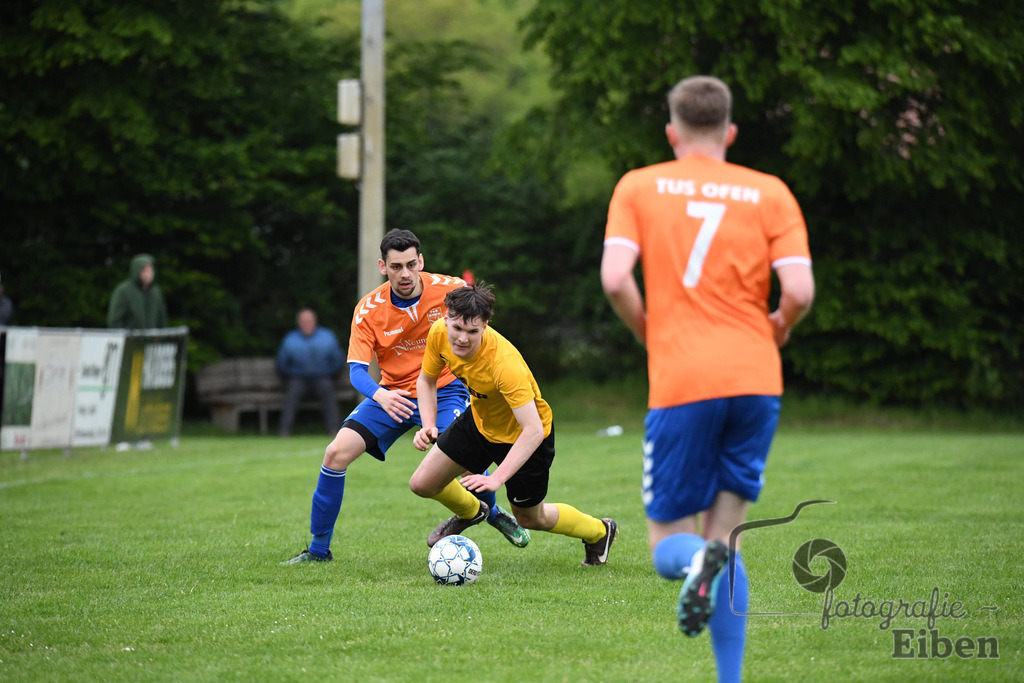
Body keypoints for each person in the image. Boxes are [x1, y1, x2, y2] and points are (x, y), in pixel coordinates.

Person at [601, 75, 815, 681]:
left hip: (683, 379)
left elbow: (616, 278)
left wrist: (650, 331)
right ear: (731, 132)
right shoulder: (769, 191)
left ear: (672, 132)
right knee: (728, 538)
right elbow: (799, 290)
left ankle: (697, 563)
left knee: (671, 544)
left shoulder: (638, 186)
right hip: (756, 378)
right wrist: (777, 326)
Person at [283, 229, 528, 564]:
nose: (405, 274)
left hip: (445, 389)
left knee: (458, 460)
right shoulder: (369, 309)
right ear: (383, 267)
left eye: (411, 264)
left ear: (421, 262)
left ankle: (492, 511)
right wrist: (381, 396)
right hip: (392, 395)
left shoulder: (450, 290)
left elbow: (481, 332)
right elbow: (356, 371)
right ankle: (318, 551)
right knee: (335, 453)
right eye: (396, 266)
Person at [410, 283, 618, 567]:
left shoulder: (504, 364)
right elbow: (426, 380)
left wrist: (496, 479)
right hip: (481, 421)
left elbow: (532, 429)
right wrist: (428, 424)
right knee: (422, 483)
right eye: (457, 328)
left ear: (486, 326)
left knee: (531, 518)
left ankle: (599, 531)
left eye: (473, 332)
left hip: (526, 437)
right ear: (446, 318)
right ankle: (473, 512)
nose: (462, 339)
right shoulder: (438, 333)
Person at [275, 308, 345, 437]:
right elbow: (282, 363)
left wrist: (331, 376)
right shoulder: (290, 339)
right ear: (298, 323)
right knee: (292, 391)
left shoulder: (327, 337)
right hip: (298, 379)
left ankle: (334, 430)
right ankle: (284, 431)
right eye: (303, 321)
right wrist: (290, 377)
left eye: (309, 320)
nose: (307, 323)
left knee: (327, 388)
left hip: (322, 377)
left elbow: (337, 360)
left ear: (315, 321)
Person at [106, 254, 168, 330]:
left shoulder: (156, 292)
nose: (149, 274)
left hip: (152, 339)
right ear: (137, 271)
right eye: (145, 270)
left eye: (150, 270)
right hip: (131, 339)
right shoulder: (124, 291)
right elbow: (115, 321)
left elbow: (162, 320)